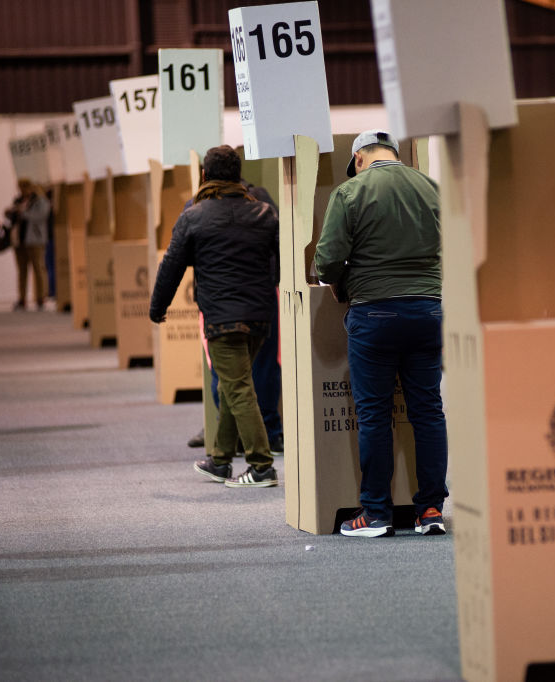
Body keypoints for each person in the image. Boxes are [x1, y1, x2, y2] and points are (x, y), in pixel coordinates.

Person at [314, 130, 447, 538]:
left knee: (374, 415)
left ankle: (375, 515)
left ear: (358, 158)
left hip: (374, 314)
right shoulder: (431, 187)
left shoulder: (351, 192)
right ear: (394, 155)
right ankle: (430, 511)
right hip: (429, 310)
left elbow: (328, 259)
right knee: (428, 411)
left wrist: (340, 283)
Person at [150, 145, 279, 488]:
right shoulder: (265, 213)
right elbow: (281, 262)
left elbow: (171, 267)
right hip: (261, 316)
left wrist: (158, 307)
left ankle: (262, 465)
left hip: (222, 318)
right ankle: (220, 460)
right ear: (239, 176)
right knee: (234, 383)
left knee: (237, 388)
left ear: (205, 176)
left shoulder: (194, 215)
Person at [185, 179, 284, 456]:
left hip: (219, 307)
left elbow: (181, 255)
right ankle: (258, 438)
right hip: (261, 301)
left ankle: (257, 460)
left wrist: (158, 306)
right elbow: (280, 248)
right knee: (262, 370)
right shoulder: (261, 200)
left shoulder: (196, 207)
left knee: (228, 377)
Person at [5, 179, 51, 311]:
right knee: (22, 270)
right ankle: (22, 298)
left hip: (35, 240)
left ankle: (41, 297)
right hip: (20, 240)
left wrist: (23, 213)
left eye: (24, 186)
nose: (22, 189)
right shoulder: (18, 200)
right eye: (20, 187)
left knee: (38, 268)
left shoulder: (40, 201)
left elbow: (41, 216)